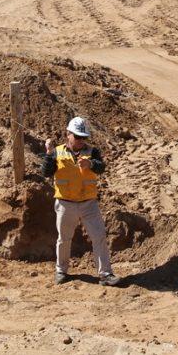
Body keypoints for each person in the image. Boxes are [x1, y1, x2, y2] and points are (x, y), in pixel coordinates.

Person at [41, 116, 121, 287]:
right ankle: (61, 271)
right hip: (65, 203)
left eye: (83, 137)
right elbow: (46, 173)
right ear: (68, 134)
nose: (81, 141)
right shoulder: (57, 152)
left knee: (99, 236)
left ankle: (105, 274)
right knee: (64, 238)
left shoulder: (92, 151)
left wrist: (90, 164)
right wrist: (48, 154)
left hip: (88, 203)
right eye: (77, 137)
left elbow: (101, 167)